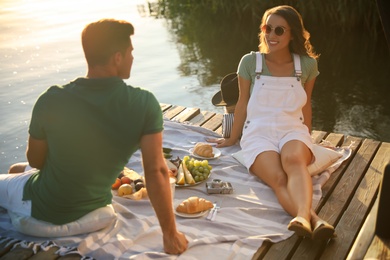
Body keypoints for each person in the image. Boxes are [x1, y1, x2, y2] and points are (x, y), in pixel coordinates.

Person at [1, 19, 188, 254]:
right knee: (19, 169)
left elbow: (37, 161)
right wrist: (170, 235)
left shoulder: (51, 99)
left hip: (40, 216)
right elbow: (156, 171)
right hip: (96, 215)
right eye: (130, 52)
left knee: (14, 173)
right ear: (117, 58)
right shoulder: (144, 104)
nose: (132, 58)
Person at [208, 5, 335, 240]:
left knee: (294, 161)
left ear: (292, 34)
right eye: (267, 28)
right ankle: (312, 219)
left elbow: (306, 105)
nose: (271, 35)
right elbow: (243, 103)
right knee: (278, 178)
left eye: (279, 30)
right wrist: (232, 138)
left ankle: (302, 218)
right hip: (258, 132)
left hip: (292, 130)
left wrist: (308, 138)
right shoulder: (250, 63)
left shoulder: (306, 66)